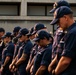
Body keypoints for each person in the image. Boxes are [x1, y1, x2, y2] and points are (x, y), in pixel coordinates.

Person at [49, 6, 76, 75]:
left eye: (58, 21)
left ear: (65, 18)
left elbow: (65, 61)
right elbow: (61, 52)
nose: (58, 24)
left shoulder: (73, 33)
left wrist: (55, 72)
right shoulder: (67, 32)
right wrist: (53, 63)